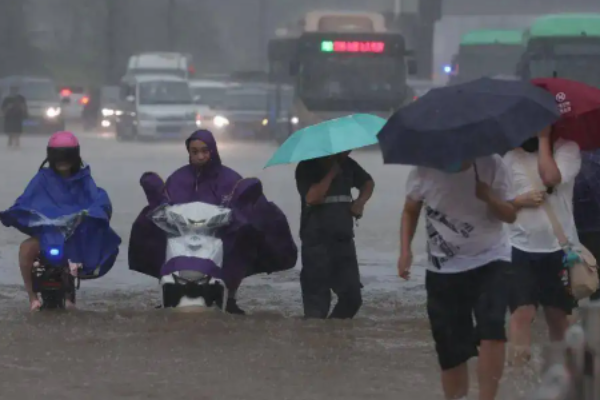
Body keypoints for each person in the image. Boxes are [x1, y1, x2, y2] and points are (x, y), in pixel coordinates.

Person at [128, 129, 297, 314]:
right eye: (194, 152)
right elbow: (164, 203)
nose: (200, 156)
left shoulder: (229, 179)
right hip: (182, 236)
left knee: (241, 241)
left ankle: (230, 295)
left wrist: (240, 216)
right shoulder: (178, 179)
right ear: (189, 153)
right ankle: (168, 290)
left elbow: (246, 202)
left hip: (221, 237)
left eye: (204, 151)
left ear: (213, 151)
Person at [398, 156, 516, 400]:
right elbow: (410, 210)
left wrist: (488, 196)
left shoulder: (492, 164)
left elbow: (510, 215)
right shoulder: (423, 169)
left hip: (491, 259)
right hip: (443, 269)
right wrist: (405, 251)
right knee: (450, 347)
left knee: (492, 326)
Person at [0, 131, 121, 311]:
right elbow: (25, 200)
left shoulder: (84, 179)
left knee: (79, 256)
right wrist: (19, 212)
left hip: (74, 236)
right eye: (59, 157)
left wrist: (94, 212)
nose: (63, 162)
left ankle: (69, 292)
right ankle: (32, 297)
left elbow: (97, 199)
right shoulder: (42, 178)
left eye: (67, 156)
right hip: (47, 235)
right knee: (25, 250)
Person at [504, 127, 581, 365]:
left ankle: (563, 379)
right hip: (519, 249)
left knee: (559, 318)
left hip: (560, 249)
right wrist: (518, 201)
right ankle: (519, 380)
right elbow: (496, 207)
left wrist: (544, 138)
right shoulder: (510, 158)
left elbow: (551, 178)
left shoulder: (568, 149)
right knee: (521, 315)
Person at [295, 151, 374, 319]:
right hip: (316, 243)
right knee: (316, 310)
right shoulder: (306, 166)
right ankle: (317, 340)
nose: (348, 151)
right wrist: (331, 172)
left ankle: (335, 338)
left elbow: (368, 182)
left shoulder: (348, 164)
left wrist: (360, 203)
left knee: (352, 299)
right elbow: (312, 197)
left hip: (343, 240)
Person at [573, 149, 600, 301]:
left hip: (579, 230)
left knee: (585, 279)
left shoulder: (574, 159)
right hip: (591, 227)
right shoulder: (594, 160)